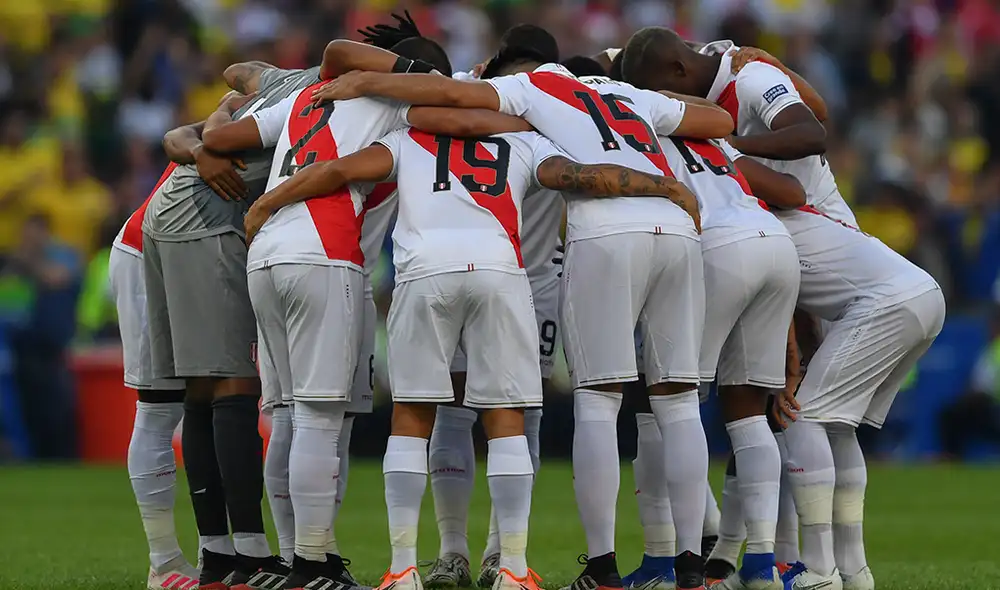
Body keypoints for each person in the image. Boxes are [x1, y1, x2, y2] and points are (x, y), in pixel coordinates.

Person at [310, 28, 730, 590]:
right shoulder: (598, 106)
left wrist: (373, 83)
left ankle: (462, 559)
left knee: (463, 412)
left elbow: (440, 112)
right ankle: (518, 560)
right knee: (646, 405)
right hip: (528, 270)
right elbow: (712, 124)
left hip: (487, 268)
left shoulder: (506, 95)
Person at [145, 68, 318, 589]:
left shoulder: (288, 81)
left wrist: (214, 123)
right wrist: (209, 140)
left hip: (176, 215)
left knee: (203, 389)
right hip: (206, 220)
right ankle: (250, 555)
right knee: (233, 383)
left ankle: (219, 556)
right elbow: (208, 122)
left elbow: (226, 84)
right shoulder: (332, 100)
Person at [110, 162, 197, 590]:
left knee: (213, 398)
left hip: (193, 253)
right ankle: (163, 561)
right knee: (159, 408)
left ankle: (218, 555)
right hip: (149, 250)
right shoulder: (250, 112)